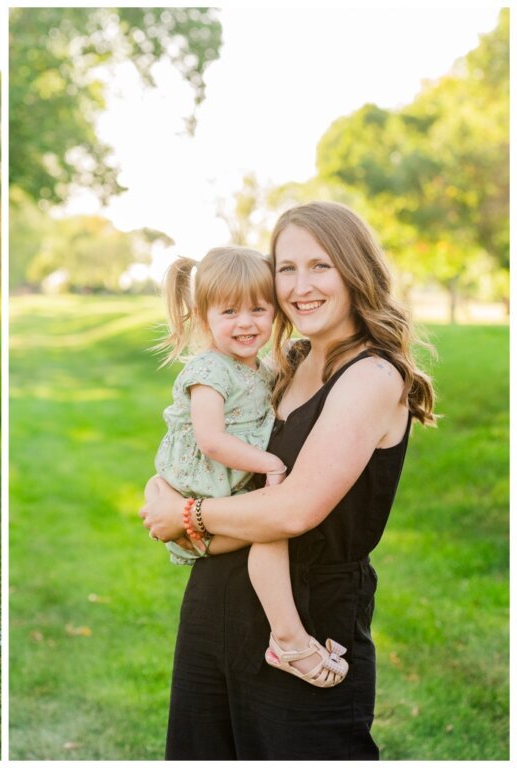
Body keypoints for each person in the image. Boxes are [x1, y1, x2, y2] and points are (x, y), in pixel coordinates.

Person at [139, 201, 436, 760]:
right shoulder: (284, 362)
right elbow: (220, 461)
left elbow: (292, 512)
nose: (301, 286)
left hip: (307, 614)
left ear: (355, 270)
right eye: (287, 268)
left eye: (320, 266)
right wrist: (169, 489)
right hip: (216, 602)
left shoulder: (370, 375)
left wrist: (184, 518)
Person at [148, 246, 347, 689]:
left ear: (275, 313)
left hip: (219, 496)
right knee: (271, 531)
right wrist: (269, 464)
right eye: (230, 311)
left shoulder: (261, 367)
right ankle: (290, 641)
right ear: (204, 318)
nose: (246, 323)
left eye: (259, 310)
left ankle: (287, 638)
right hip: (204, 489)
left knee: (268, 530)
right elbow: (211, 439)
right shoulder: (209, 372)